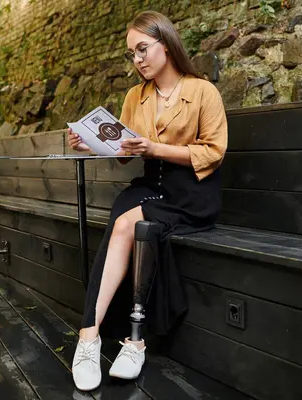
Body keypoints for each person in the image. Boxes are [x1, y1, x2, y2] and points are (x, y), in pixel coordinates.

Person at [66, 10, 228, 392]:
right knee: (124, 211)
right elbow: (122, 153)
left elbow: (214, 152)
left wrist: (156, 147)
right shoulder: (135, 96)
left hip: (192, 191)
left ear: (166, 44)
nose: (137, 59)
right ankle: (91, 340)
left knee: (127, 222)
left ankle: (122, 338)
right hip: (151, 185)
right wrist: (88, 144)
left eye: (142, 49)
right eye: (131, 53)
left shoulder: (203, 91)